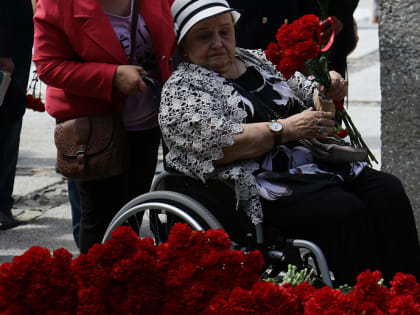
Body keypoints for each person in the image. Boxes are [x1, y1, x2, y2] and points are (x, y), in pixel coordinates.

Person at [159, 0, 420, 285]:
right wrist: (284, 129)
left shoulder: (254, 59)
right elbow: (216, 143)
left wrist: (325, 86)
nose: (219, 43)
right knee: (343, 210)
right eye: (204, 36)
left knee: (387, 190)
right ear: (184, 46)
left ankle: (406, 290)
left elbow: (302, 88)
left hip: (308, 165)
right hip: (256, 180)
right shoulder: (183, 88)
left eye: (225, 32)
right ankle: (360, 297)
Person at [33, 0, 176, 253]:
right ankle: (95, 286)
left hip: (146, 124)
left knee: (131, 216)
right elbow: (49, 65)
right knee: (100, 225)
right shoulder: (58, 4)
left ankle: (125, 283)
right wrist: (112, 76)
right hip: (94, 129)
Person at [0, 0, 34, 230]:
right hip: (8, 54)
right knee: (7, 127)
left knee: (10, 124)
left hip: (15, 51)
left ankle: (3, 203)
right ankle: (2, 205)